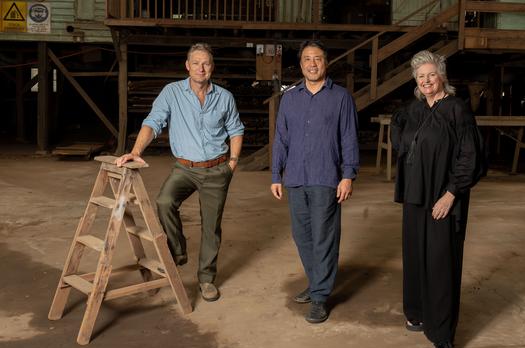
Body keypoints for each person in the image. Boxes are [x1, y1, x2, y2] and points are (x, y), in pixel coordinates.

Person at [115, 43, 244, 302]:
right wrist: (136, 151)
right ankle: (178, 251)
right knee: (164, 202)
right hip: (185, 167)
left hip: (217, 168)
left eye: (206, 63)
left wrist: (232, 162)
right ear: (187, 66)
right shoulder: (171, 93)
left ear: (212, 67)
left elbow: (236, 129)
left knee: (211, 226)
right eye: (196, 63)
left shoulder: (224, 97)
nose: (201, 68)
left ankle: (206, 279)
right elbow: (152, 123)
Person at [391, 50, 485, 348]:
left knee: (441, 264)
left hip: (443, 198)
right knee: (416, 255)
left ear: (441, 76)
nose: (427, 80)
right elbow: (400, 136)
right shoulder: (414, 110)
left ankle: (443, 334)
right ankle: (416, 312)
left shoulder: (457, 110)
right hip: (416, 197)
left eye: (432, 74)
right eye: (421, 77)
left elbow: (470, 157)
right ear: (416, 82)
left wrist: (451, 193)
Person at [270, 40, 359, 324]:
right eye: (307, 59)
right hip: (295, 176)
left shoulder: (341, 97)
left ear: (326, 62)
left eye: (317, 59)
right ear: (300, 64)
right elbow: (281, 138)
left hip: (326, 177)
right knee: (302, 236)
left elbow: (348, 137)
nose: (312, 64)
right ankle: (317, 280)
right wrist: (276, 174)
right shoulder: (290, 98)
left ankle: (320, 296)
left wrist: (348, 175)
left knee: (325, 238)